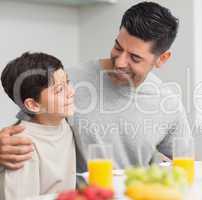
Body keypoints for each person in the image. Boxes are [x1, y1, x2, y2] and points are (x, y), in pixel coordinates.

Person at [0, 1, 191, 172]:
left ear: (162, 58)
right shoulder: (67, 83)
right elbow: (23, 133)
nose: (120, 63)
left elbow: (185, 163)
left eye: (135, 57)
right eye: (118, 47)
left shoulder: (168, 102)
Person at [0, 52, 76, 199]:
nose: (71, 92)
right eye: (59, 90)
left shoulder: (63, 122)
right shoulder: (21, 146)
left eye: (67, 82)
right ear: (33, 105)